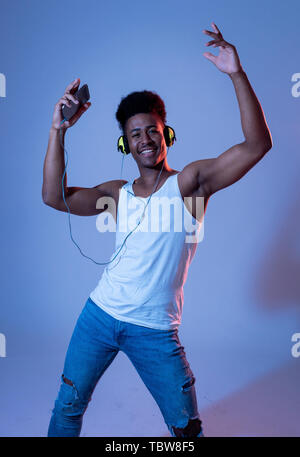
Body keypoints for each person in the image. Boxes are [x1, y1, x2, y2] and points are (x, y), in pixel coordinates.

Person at [42, 22, 272, 437]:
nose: (145, 138)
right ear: (125, 145)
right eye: (135, 134)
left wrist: (237, 74)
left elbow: (257, 146)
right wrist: (59, 129)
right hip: (98, 316)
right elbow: (54, 197)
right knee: (68, 409)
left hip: (155, 330)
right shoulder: (117, 193)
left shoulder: (190, 184)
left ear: (165, 133)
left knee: (185, 432)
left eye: (152, 129)